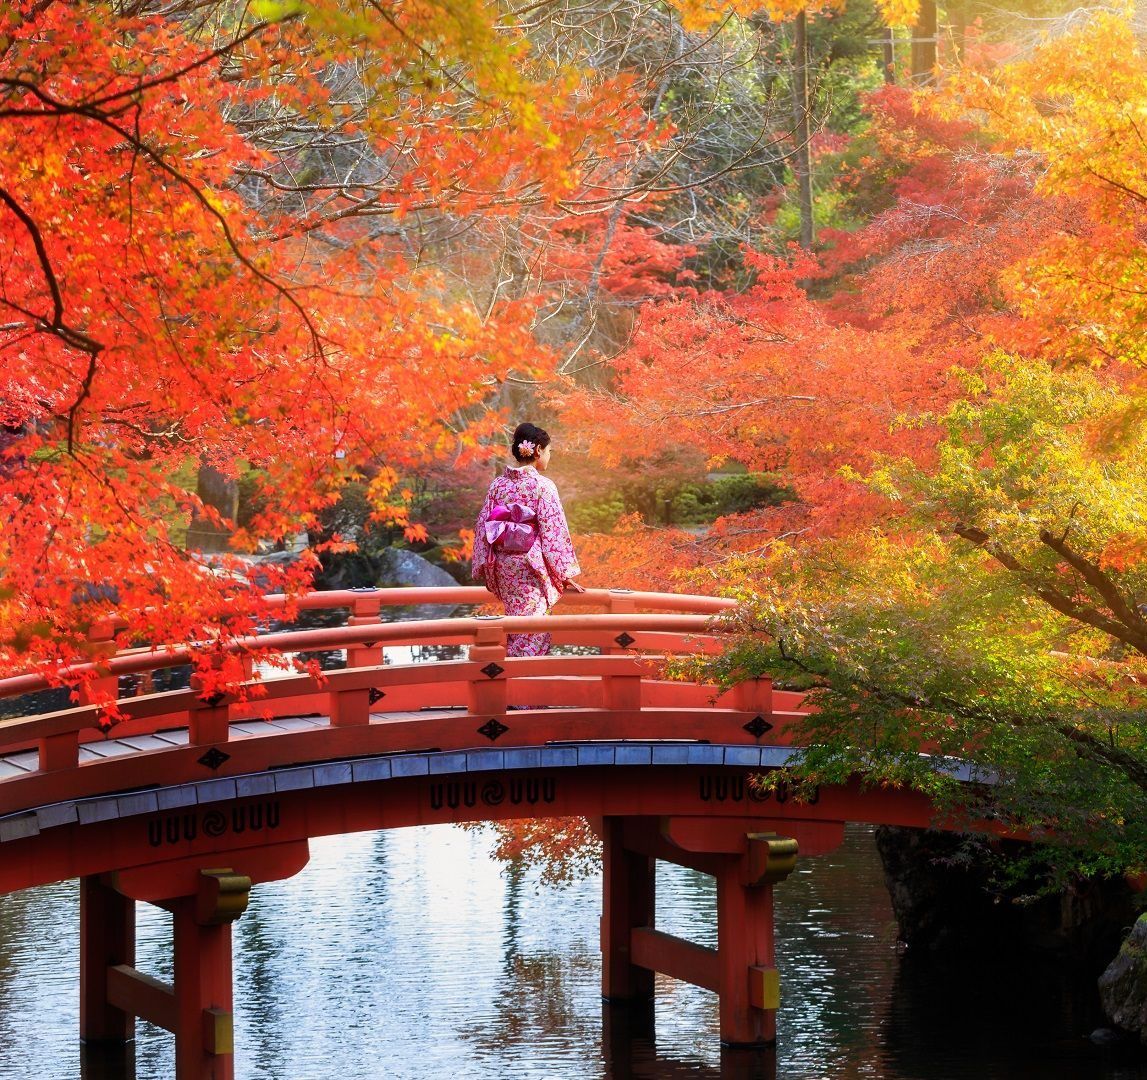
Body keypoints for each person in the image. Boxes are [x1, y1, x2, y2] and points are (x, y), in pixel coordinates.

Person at [472, 422, 584, 657]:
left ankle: (518, 680)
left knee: (516, 626)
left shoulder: (497, 485)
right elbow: (554, 531)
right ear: (538, 450)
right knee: (533, 630)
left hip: (504, 566)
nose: (549, 457)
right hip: (530, 568)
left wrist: (485, 565)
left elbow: (483, 527)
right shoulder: (543, 486)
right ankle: (525, 684)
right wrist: (564, 573)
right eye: (549, 451)